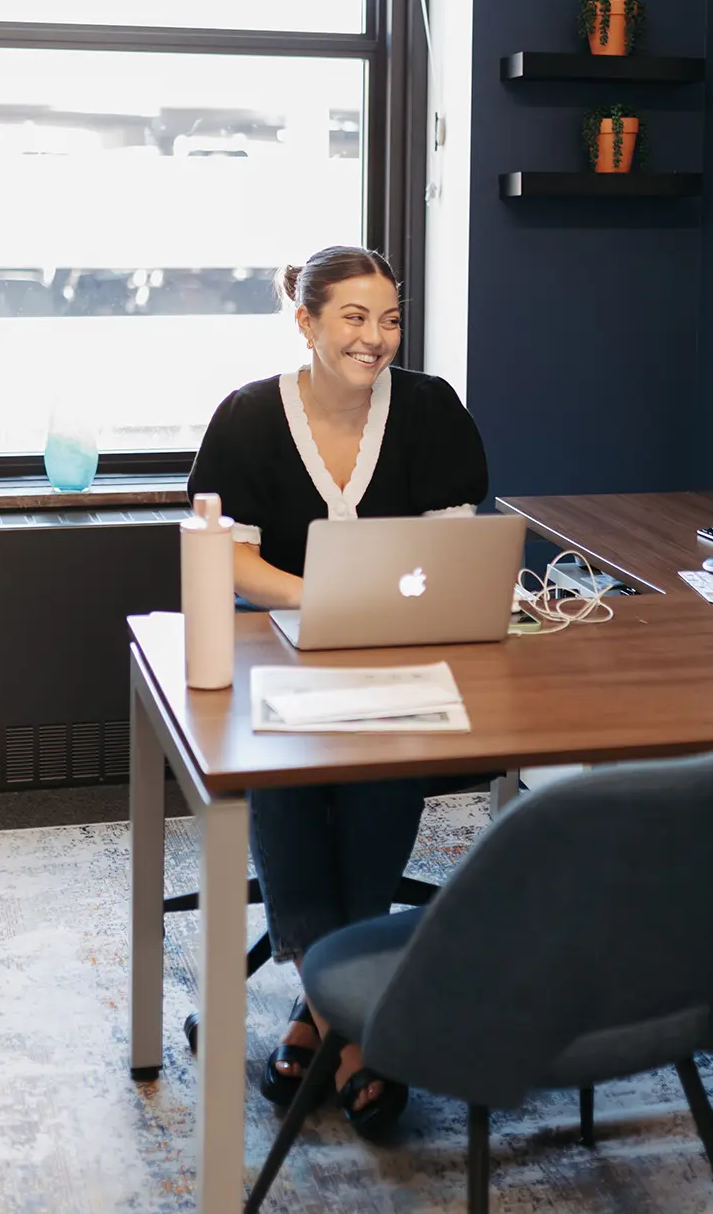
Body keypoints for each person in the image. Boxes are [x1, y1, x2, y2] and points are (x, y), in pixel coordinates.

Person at [187, 245, 489, 1139]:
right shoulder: (246, 416)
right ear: (308, 321)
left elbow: (452, 548)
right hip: (277, 654)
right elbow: (229, 554)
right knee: (277, 769)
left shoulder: (431, 410)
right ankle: (349, 1009)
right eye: (354, 316)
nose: (376, 337)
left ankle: (324, 1012)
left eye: (390, 318)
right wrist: (316, 593)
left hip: (398, 655)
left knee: (389, 763)